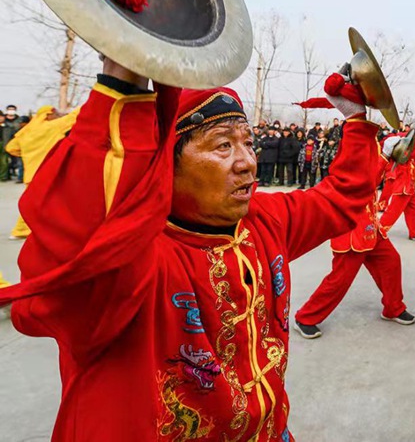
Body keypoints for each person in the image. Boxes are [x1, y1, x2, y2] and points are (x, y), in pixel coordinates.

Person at [0, 56, 379, 440]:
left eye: (248, 142)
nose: (247, 162)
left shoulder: (265, 221)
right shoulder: (136, 258)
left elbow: (341, 197)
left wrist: (357, 121)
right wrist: (123, 81)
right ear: (168, 163)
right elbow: (73, 257)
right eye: (222, 145)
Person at [294, 137, 415, 338]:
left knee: (391, 262)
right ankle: (305, 317)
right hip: (351, 230)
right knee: (339, 280)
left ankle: (393, 308)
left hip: (369, 227)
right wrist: (384, 155)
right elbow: (366, 183)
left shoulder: (368, 149)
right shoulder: (348, 159)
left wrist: (391, 152)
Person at [5, 105, 80, 239]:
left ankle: (32, 230)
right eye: (55, 114)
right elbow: (73, 117)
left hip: (31, 173)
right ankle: (20, 231)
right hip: (47, 171)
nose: (57, 116)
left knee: (38, 202)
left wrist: (28, 154)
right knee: (42, 203)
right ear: (48, 115)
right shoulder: (52, 127)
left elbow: (11, 148)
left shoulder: (26, 132)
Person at [1, 105, 25, 181]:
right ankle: (5, 175)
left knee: (17, 161)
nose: (11, 111)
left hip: (16, 143)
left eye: (13, 109)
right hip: (5, 142)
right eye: (9, 109)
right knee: (4, 161)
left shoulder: (19, 120)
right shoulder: (3, 120)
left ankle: (18, 174)